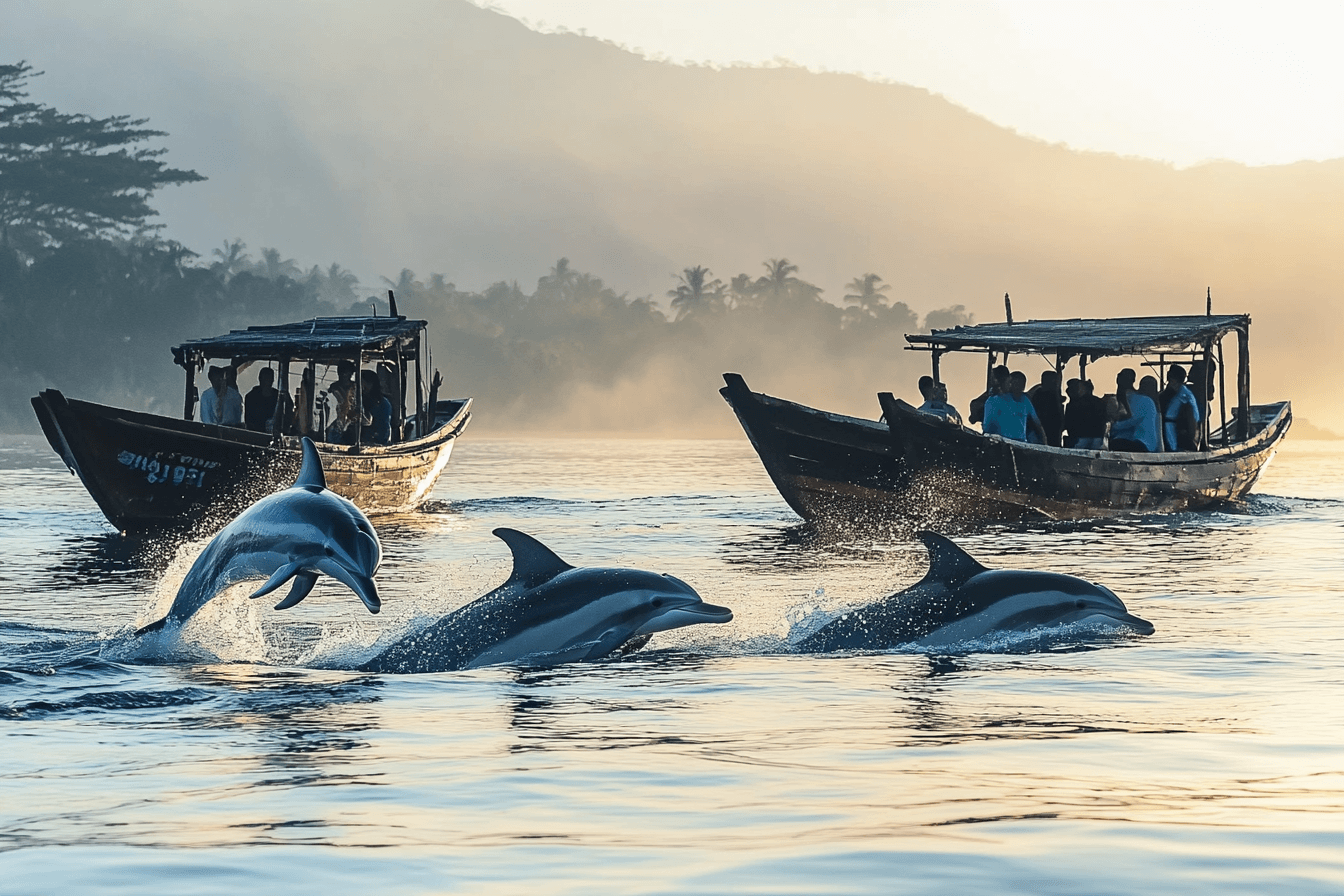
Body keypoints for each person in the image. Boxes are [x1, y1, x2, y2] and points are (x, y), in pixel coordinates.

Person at [983, 370, 1047, 443]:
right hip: (1001, 442)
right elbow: (988, 427)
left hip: (1021, 443)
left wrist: (1045, 444)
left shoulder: (1025, 401)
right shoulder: (996, 399)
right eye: (1016, 383)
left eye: (1022, 384)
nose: (1019, 387)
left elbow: (1038, 424)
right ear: (1009, 383)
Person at [1108, 368, 1161, 452]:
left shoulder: (1142, 400)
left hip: (1144, 443)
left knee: (1114, 443)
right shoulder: (1143, 400)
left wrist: (1114, 427)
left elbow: (1132, 420)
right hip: (1139, 441)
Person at [1160, 364, 1201, 451]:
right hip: (1171, 434)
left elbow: (1191, 420)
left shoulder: (1183, 396)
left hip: (1178, 436)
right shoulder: (1184, 394)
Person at [1063, 378, 1107, 449]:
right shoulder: (1099, 402)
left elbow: (1068, 423)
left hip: (1080, 437)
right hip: (1097, 437)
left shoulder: (1075, 404)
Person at [1028, 369, 1064, 447]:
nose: (1054, 383)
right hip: (1041, 428)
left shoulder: (1055, 394)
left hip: (1054, 428)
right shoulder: (1038, 394)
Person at [357, 368, 393, 445]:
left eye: (363, 384)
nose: (362, 388)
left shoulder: (382, 403)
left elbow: (384, 429)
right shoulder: (358, 400)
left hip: (376, 443)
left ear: (371, 384)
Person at [325, 360, 358, 443]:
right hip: (336, 418)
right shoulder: (334, 386)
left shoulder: (355, 387)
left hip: (351, 420)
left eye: (345, 372)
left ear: (351, 374)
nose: (343, 375)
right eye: (341, 372)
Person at [244, 367, 280, 433]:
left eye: (269, 379)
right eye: (265, 379)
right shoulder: (251, 397)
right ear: (260, 379)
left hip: (275, 433)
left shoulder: (279, 396)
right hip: (256, 435)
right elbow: (248, 422)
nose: (267, 382)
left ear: (273, 380)